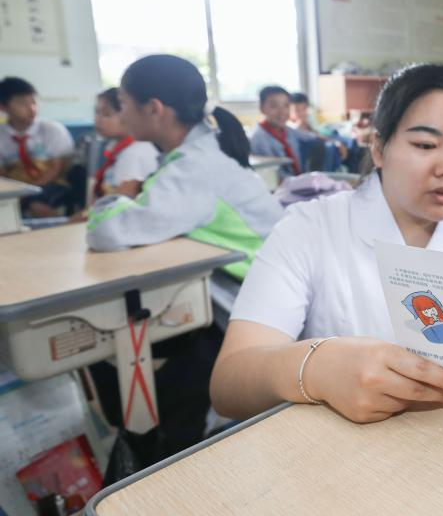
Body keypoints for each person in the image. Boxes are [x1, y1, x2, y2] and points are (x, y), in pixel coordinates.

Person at [211, 64, 443, 423]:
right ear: (378, 148)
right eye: (425, 144)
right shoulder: (310, 228)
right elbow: (228, 385)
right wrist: (316, 367)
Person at [85, 54, 284, 464]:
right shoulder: (194, 156)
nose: (122, 114)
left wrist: (113, 202)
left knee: (145, 366)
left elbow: (109, 232)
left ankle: (168, 457)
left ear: (154, 109)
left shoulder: (194, 168)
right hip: (243, 294)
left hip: (264, 310)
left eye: (124, 104)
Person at [0, 76, 75, 217]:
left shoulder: (52, 130)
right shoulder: (2, 137)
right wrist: (15, 194)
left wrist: (27, 193)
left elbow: (55, 169)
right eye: (23, 103)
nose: (32, 108)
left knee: (37, 205)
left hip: (50, 185)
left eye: (34, 101)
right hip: (15, 189)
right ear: (3, 107)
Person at [90, 87, 159, 201]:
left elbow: (119, 203)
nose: (98, 120)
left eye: (106, 114)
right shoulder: (115, 147)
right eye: (96, 112)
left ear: (126, 114)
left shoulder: (134, 154)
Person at [250, 86, 318, 178]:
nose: (282, 112)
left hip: (296, 179)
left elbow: (310, 136)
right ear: (262, 109)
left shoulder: (288, 131)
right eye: (274, 106)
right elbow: (271, 176)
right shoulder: (258, 138)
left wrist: (334, 142)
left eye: (286, 106)